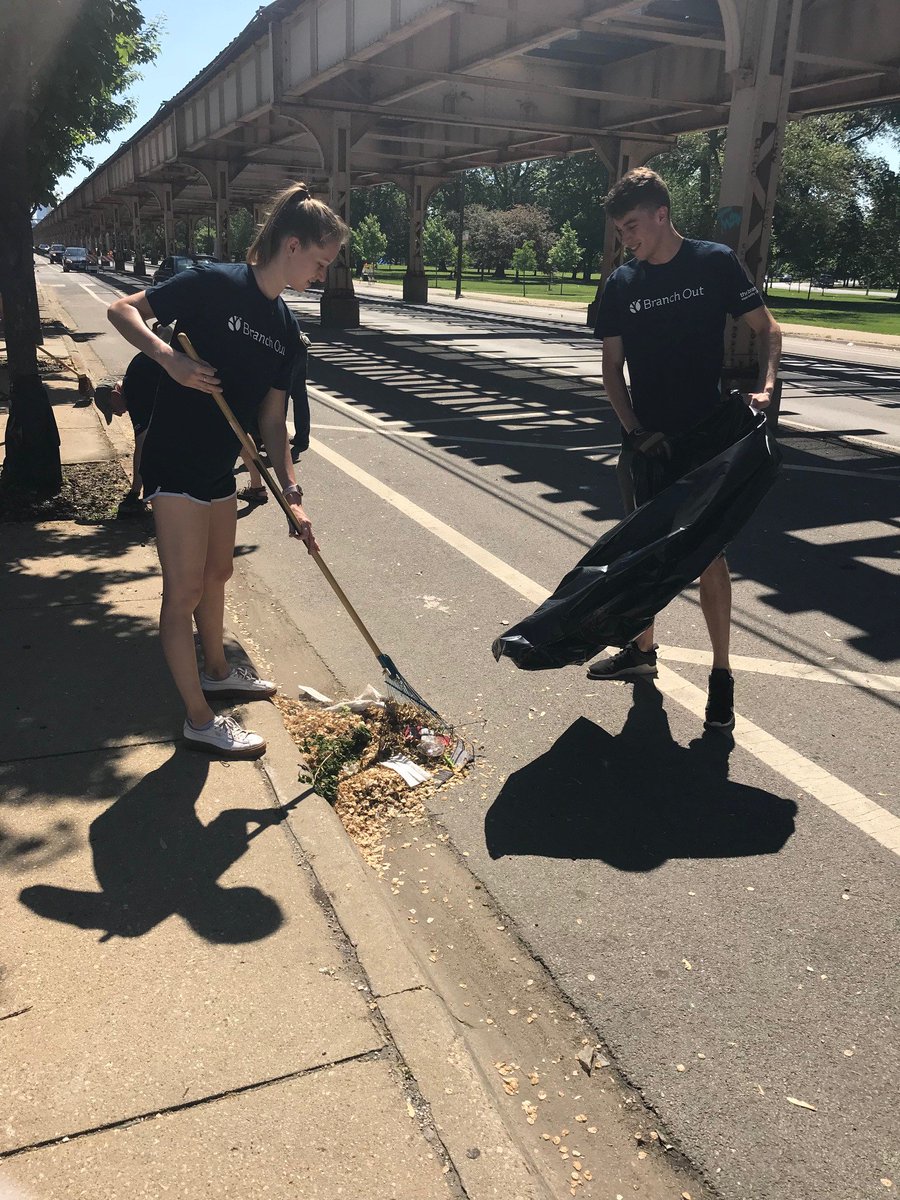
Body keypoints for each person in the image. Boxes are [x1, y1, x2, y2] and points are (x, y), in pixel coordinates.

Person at [108, 182, 346, 757]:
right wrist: (170, 359)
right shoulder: (214, 283)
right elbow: (122, 310)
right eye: (320, 262)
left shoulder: (287, 330)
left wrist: (292, 492)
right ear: (292, 245)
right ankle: (198, 718)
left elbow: (271, 422)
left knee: (218, 576)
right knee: (184, 589)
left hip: (219, 468)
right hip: (175, 458)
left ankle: (216, 669)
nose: (321, 276)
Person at [589, 167, 782, 731]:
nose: (627, 239)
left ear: (661, 215)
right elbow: (610, 370)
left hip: (708, 436)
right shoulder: (621, 284)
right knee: (642, 551)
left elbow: (768, 328)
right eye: (620, 231)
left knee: (708, 554)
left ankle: (721, 677)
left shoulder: (714, 263)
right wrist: (631, 429)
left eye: (631, 226)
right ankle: (642, 655)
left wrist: (768, 386)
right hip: (649, 441)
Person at [237, 325, 312, 503]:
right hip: (299, 344)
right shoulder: (281, 312)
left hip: (283, 346)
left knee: (277, 401)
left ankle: (269, 445)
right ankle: (302, 437)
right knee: (299, 394)